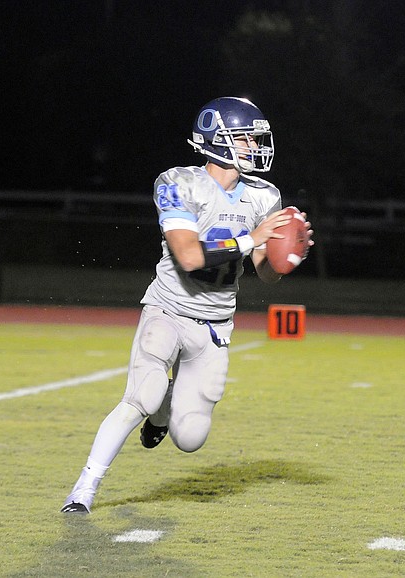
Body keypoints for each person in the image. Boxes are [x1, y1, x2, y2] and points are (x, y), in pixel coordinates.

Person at [61, 97, 314, 513]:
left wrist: (286, 258)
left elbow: (263, 273)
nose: (256, 146)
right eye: (248, 138)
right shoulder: (179, 183)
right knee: (141, 396)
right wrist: (253, 238)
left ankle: (164, 414)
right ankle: (84, 490)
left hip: (216, 322)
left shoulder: (263, 196)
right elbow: (190, 256)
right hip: (169, 309)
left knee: (190, 437)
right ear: (219, 139)